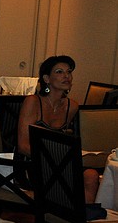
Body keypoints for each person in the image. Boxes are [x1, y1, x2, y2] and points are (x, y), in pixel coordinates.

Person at [16, 54, 99, 202]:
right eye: (59, 72)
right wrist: (54, 158)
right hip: (32, 163)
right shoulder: (33, 102)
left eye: (69, 72)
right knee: (67, 183)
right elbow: (23, 146)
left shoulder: (71, 106)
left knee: (91, 175)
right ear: (47, 79)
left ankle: (80, 221)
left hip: (58, 164)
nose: (66, 76)